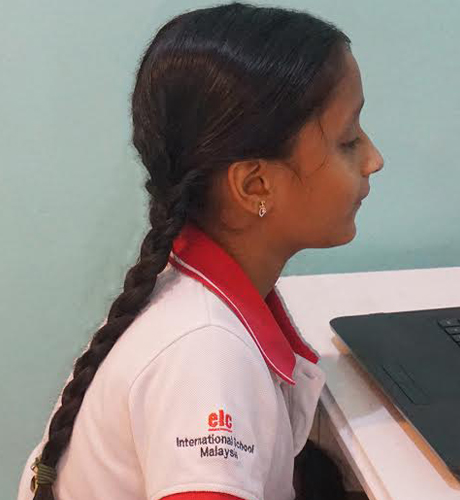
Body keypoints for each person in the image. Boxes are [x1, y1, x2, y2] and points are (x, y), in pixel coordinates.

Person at [18, 4, 383, 500]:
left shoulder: (195, 290)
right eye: (348, 141)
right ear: (255, 186)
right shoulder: (207, 356)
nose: (373, 159)